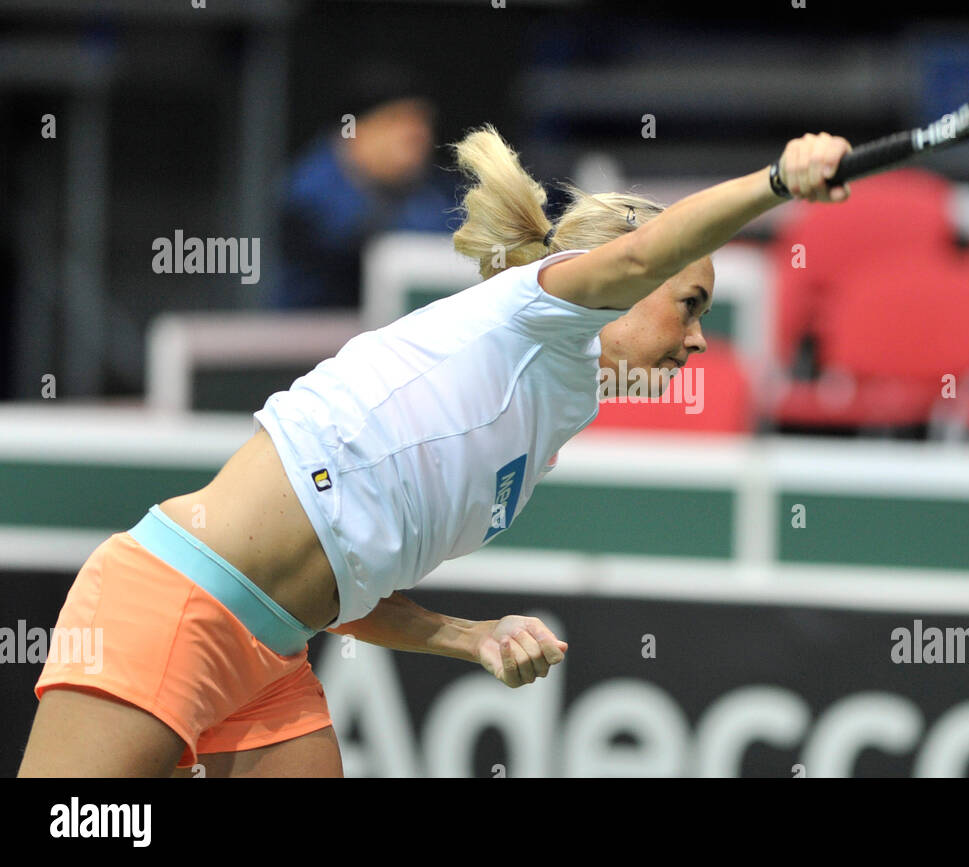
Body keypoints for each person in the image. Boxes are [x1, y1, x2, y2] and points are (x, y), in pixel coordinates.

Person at [18, 127, 852, 778]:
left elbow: (349, 578)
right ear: (625, 285)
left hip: (270, 657)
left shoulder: (548, 423)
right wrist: (779, 184)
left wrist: (472, 638)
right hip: (174, 603)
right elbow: (643, 250)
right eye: (689, 304)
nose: (700, 342)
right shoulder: (538, 315)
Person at [272, 67, 460, 309]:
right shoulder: (310, 184)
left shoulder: (435, 187)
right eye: (395, 120)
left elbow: (464, 243)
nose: (415, 134)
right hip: (307, 339)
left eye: (422, 121)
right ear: (354, 131)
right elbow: (353, 240)